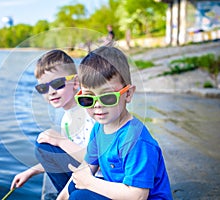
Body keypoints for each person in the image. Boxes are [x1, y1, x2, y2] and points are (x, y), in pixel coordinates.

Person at [57, 46, 172, 200]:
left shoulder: (136, 140)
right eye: (88, 99)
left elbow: (138, 195)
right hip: (118, 193)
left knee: (81, 196)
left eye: (108, 97)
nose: (97, 105)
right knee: (75, 187)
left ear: (128, 94)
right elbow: (86, 167)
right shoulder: (99, 128)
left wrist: (90, 183)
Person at [10, 49, 95, 198]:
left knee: (44, 147)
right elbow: (67, 155)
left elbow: (94, 160)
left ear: (75, 82)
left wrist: (59, 140)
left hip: (100, 180)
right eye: (43, 88)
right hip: (83, 174)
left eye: (57, 83)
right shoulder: (68, 116)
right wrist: (31, 171)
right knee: (45, 147)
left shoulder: (88, 113)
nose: (51, 92)